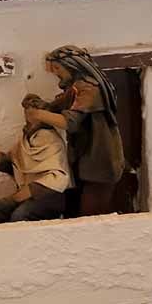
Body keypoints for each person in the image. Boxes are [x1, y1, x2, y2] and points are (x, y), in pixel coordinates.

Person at [24, 45, 125, 217]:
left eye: (57, 68)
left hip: (99, 163)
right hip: (83, 163)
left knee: (90, 216)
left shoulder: (90, 89)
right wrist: (39, 105)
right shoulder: (75, 88)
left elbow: (70, 122)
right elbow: (55, 108)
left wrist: (38, 114)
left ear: (72, 66)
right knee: (74, 214)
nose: (55, 73)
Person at [0, 96, 72, 224]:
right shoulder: (26, 140)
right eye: (26, 114)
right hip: (26, 194)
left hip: (49, 197)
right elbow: (18, 165)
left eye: (32, 113)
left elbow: (58, 177)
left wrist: (29, 191)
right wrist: (0, 160)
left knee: (20, 215)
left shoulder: (52, 142)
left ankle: (19, 243)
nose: (28, 118)